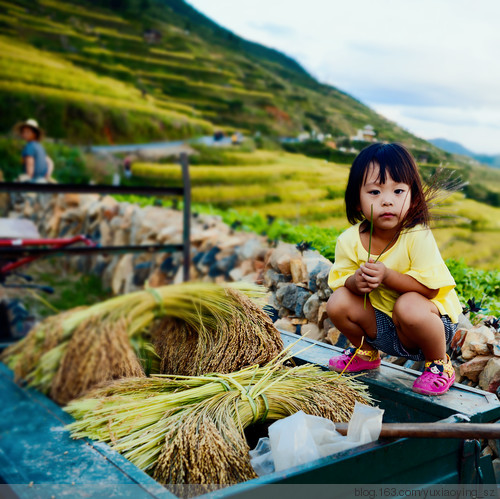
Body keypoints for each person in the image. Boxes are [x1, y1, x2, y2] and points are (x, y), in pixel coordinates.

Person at [326, 143, 462, 396]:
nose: (387, 200)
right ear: (357, 201)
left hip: (427, 329)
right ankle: (366, 353)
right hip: (383, 327)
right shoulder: (349, 240)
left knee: (407, 304)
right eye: (375, 192)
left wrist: (387, 276)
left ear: (413, 197)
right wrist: (355, 282)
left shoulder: (415, 235)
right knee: (338, 301)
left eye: (398, 191)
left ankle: (439, 365)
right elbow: (340, 279)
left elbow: (430, 290)